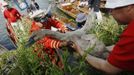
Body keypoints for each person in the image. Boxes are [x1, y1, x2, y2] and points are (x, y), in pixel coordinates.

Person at [72, 0, 134, 74]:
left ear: (129, 7)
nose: (110, 13)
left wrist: (81, 52)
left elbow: (109, 68)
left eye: (111, 10)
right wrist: (102, 48)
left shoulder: (131, 34)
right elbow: (125, 48)